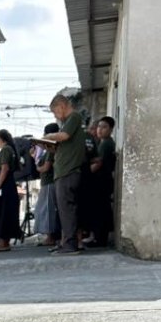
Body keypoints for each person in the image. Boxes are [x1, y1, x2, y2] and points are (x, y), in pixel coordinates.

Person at [47, 94, 87, 255]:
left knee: (67, 210)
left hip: (68, 171)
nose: (55, 116)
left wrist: (49, 136)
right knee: (65, 210)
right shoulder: (68, 122)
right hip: (64, 171)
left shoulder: (74, 117)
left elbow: (64, 136)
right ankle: (67, 242)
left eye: (55, 112)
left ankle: (70, 244)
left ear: (62, 106)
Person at [86, 116, 117, 247]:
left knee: (99, 210)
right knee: (101, 209)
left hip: (101, 181)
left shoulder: (105, 144)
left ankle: (99, 239)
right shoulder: (103, 143)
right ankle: (98, 238)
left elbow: (98, 164)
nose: (100, 129)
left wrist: (85, 173)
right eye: (99, 126)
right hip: (103, 181)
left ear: (111, 129)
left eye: (104, 127)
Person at [32, 122, 61, 246]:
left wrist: (37, 167)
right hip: (48, 183)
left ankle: (50, 237)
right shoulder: (49, 149)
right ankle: (51, 236)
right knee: (45, 209)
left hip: (49, 183)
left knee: (48, 210)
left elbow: (46, 167)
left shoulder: (51, 150)